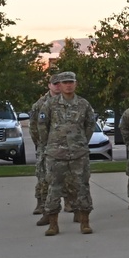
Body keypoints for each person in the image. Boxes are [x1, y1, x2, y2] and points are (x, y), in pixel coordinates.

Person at [38, 71, 96, 236]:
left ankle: (84, 222)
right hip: (56, 154)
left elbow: (90, 125)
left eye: (71, 82)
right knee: (53, 188)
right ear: (60, 85)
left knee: (82, 187)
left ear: (75, 84)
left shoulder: (84, 104)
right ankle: (53, 225)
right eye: (64, 82)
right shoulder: (50, 104)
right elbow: (42, 126)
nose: (68, 85)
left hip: (79, 154)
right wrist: (50, 144)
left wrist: (81, 141)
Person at [31, 73, 61, 226]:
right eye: (54, 84)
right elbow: (34, 128)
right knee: (43, 177)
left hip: (64, 146)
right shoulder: (40, 104)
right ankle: (42, 206)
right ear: (49, 85)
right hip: (46, 147)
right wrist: (42, 143)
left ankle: (71, 205)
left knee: (69, 178)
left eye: (59, 83)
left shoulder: (68, 101)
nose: (57, 86)